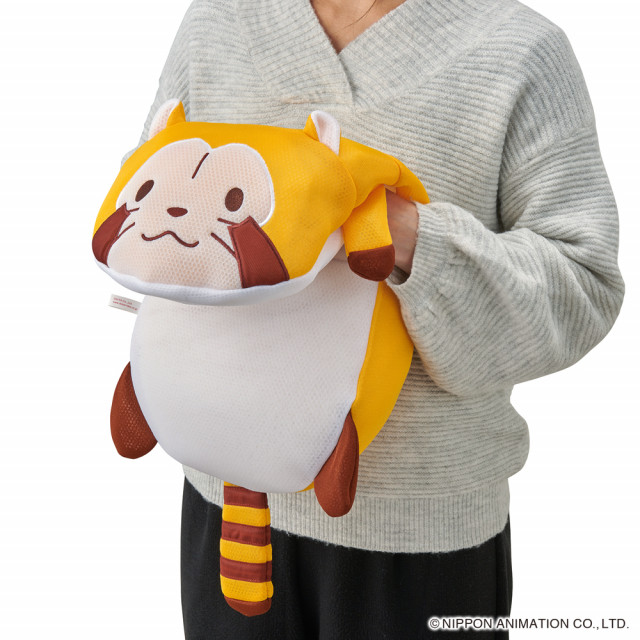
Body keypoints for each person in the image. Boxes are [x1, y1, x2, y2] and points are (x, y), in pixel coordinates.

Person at [131, 0, 624, 637]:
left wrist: (410, 235)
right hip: (223, 506)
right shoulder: (218, 20)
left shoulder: (520, 49)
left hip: (424, 543)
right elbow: (146, 204)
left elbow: (583, 288)